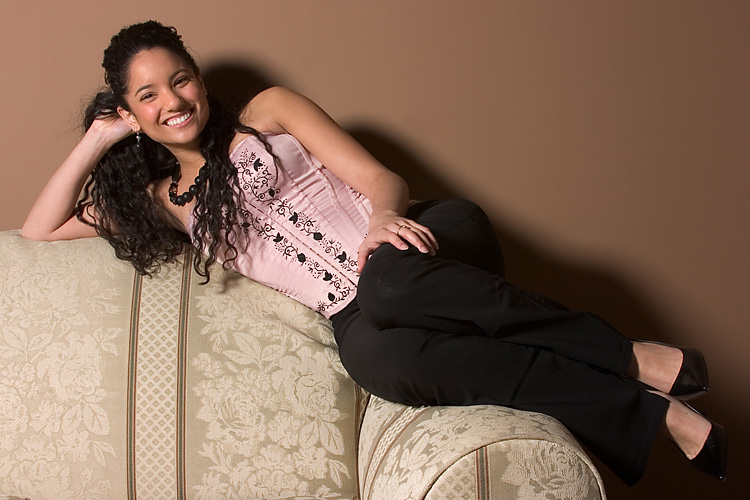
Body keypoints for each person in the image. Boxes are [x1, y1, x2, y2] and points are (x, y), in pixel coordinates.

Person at [22, 20, 727, 486]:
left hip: (419, 241)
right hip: (357, 311)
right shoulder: (166, 201)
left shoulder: (267, 111)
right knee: (378, 361)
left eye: (180, 79)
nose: (172, 100)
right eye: (147, 96)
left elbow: (380, 178)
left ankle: (628, 355)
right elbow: (39, 229)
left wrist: (383, 221)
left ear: (199, 79)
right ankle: (647, 412)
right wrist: (99, 136)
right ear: (130, 110)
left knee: (387, 288)